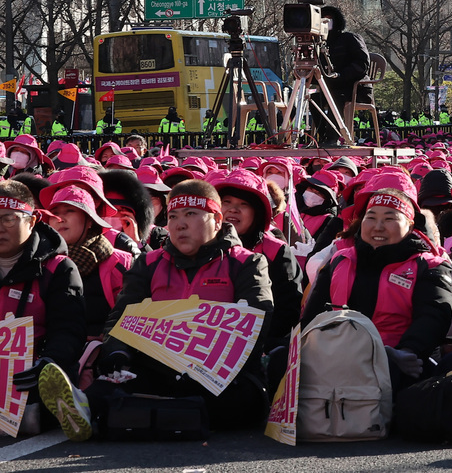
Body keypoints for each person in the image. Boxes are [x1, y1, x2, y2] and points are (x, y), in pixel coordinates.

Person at [40, 180, 275, 442]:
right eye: (173, 216)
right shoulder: (149, 263)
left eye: (190, 215)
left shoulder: (246, 262)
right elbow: (121, 317)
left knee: (242, 400)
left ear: (217, 220)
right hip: (158, 369)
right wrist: (117, 352)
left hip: (220, 375)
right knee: (111, 384)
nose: (179, 224)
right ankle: (84, 406)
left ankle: (136, 412)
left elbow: (257, 320)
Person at [300, 185, 452, 390]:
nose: (378, 226)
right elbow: (313, 316)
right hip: (334, 352)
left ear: (410, 225)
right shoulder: (340, 260)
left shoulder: (429, 266)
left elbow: (434, 316)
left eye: (390, 219)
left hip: (397, 360)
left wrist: (407, 350)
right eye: (370, 217)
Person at [0, 181, 86, 426]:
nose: (0, 228)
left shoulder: (58, 268)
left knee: (31, 416)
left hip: (32, 376)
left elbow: (69, 330)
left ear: (32, 220)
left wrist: (47, 365)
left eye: (8, 219)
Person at [213, 170, 305, 349]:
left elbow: (288, 310)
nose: (233, 209)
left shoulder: (276, 251)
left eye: (244, 204)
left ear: (258, 212)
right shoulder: (202, 245)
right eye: (227, 202)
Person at [39, 183, 131, 341]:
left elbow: (132, 316)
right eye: (54, 213)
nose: (60, 219)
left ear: (90, 221)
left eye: (70, 211)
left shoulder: (120, 263)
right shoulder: (40, 262)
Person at [318, 5, 370, 146]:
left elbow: (362, 64)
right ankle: (321, 137)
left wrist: (341, 75)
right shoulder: (319, 44)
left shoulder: (350, 38)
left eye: (328, 19)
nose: (325, 23)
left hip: (354, 87)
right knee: (314, 99)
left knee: (336, 98)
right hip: (331, 86)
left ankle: (332, 138)